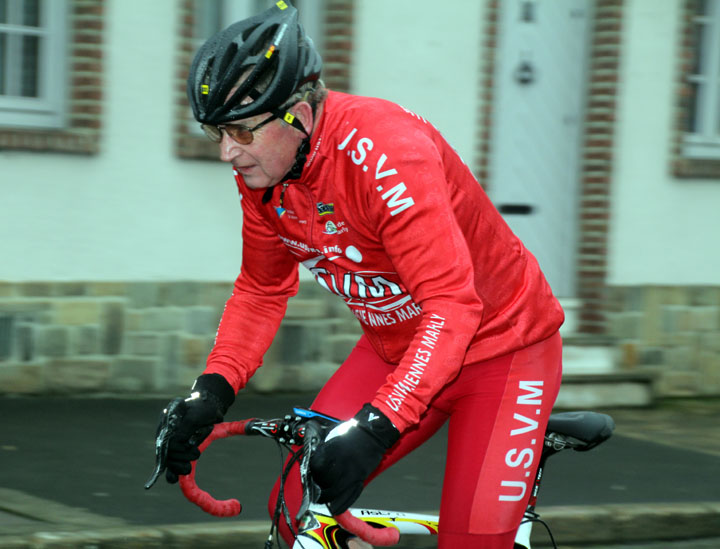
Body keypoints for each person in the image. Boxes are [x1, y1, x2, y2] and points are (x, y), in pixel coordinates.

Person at [157, 2, 564, 548]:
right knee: (296, 508)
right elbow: (261, 288)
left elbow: (451, 305)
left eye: (241, 133)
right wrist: (210, 393)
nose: (228, 152)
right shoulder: (266, 171)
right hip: (398, 347)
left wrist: (378, 425)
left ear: (297, 115)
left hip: (502, 351)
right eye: (216, 133)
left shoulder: (388, 154)